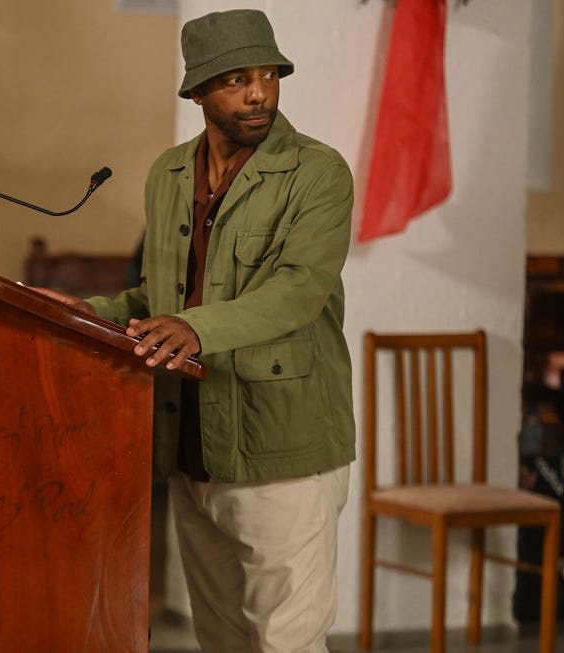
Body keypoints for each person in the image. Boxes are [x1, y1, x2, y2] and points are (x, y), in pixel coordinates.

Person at [35, 9, 355, 652]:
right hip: (192, 445)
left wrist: (190, 325)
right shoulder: (168, 175)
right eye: (237, 80)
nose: (259, 92)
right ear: (198, 92)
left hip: (282, 443)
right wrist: (74, 310)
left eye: (268, 75)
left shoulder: (318, 173)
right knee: (223, 639)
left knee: (288, 642)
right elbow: (156, 298)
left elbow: (295, 291)